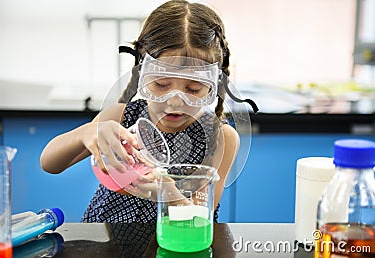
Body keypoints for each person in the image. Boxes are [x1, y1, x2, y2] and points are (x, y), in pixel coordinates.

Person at [40, 0, 257, 223]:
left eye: (193, 89)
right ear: (143, 74)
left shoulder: (220, 137)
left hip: (171, 247)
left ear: (213, 84)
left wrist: (168, 195)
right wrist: (86, 133)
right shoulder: (120, 117)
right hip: (104, 241)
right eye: (161, 85)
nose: (175, 101)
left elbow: (200, 219)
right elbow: (49, 164)